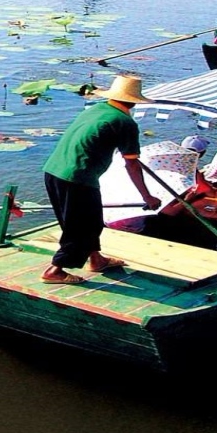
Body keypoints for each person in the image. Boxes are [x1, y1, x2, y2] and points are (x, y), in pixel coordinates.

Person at [40, 75, 162, 284]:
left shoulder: (96, 109)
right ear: (134, 100)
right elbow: (131, 164)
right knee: (81, 227)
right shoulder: (125, 122)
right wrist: (147, 196)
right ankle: (55, 270)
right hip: (78, 177)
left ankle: (96, 259)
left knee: (91, 221)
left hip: (53, 170)